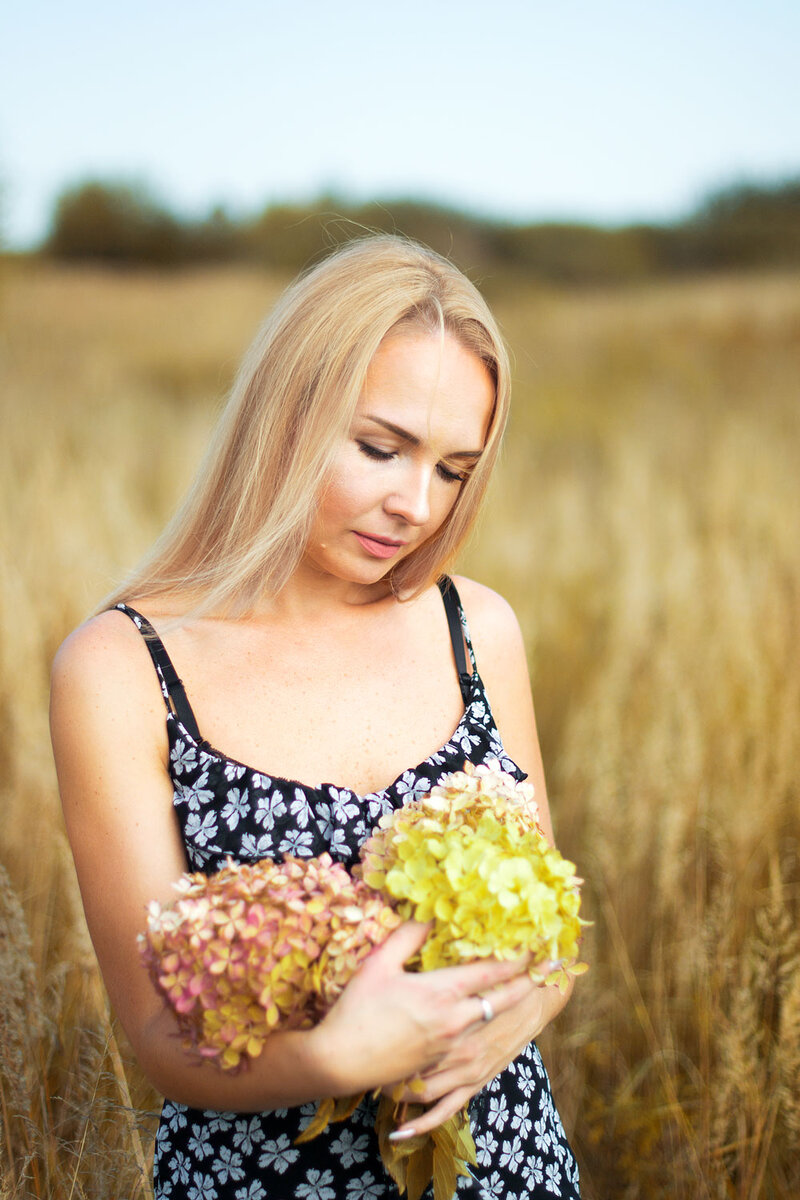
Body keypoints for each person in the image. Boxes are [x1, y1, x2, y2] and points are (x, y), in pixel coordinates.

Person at [50, 235, 581, 1199]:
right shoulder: (122, 667)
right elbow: (161, 1036)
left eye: (453, 470)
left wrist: (529, 1004)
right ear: (283, 416)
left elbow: (554, 931)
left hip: (510, 1169)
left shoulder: (479, 630)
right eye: (380, 448)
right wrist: (341, 1062)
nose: (415, 505)